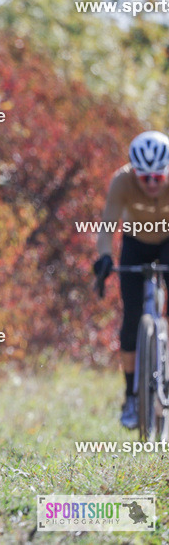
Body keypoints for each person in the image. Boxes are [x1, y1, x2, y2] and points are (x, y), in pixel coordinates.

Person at [93, 130, 169, 429]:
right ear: (133, 171)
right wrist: (104, 257)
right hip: (135, 243)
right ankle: (131, 397)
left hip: (168, 242)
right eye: (144, 177)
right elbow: (107, 226)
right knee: (131, 319)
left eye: (158, 178)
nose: (151, 184)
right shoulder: (121, 181)